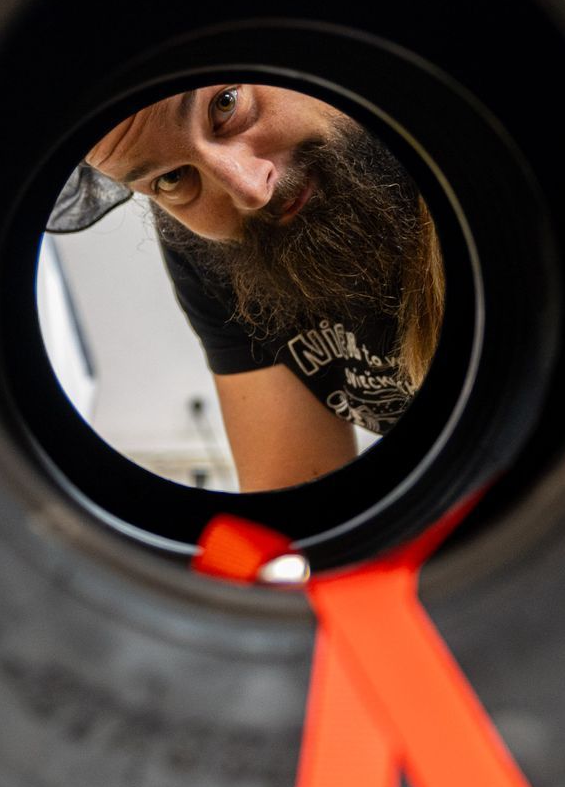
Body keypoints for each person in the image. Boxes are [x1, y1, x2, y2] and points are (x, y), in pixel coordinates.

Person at [49, 85, 443, 492]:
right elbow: (297, 502)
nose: (249, 190)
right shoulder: (206, 247)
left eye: (226, 105)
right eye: (170, 178)